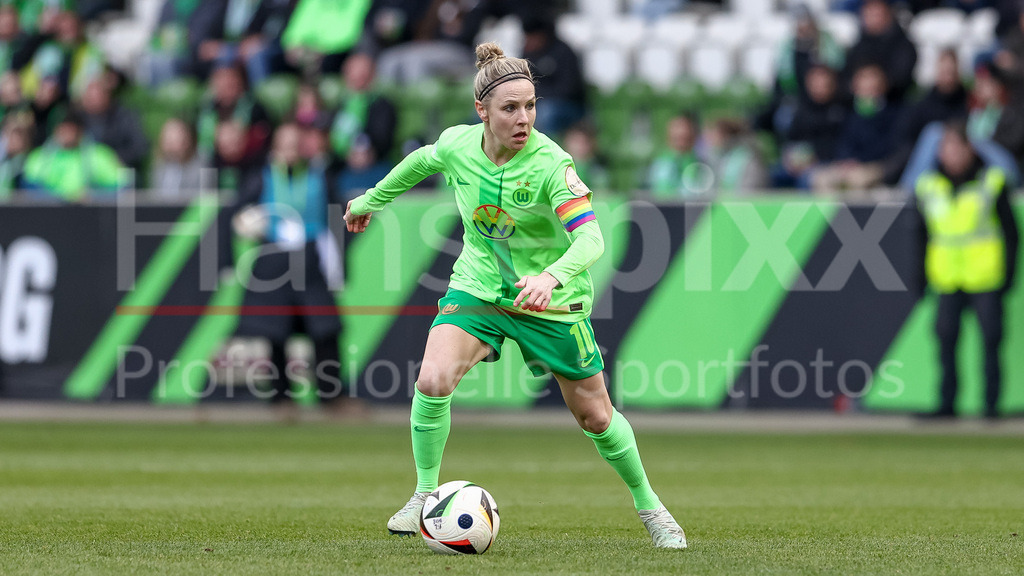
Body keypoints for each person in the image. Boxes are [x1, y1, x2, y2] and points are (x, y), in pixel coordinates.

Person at [343, 42, 687, 549]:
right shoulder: (459, 145)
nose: (523, 118)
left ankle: (652, 508)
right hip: (480, 288)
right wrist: (369, 200)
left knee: (595, 415)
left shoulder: (551, 164)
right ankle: (424, 493)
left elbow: (591, 239)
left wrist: (549, 278)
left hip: (550, 302)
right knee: (433, 379)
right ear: (481, 110)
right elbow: (421, 160)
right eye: (510, 108)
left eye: (530, 106)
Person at [232, 122, 351, 417]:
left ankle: (332, 396)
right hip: (273, 261)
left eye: (296, 144)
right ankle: (281, 398)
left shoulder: (320, 177)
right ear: (275, 148)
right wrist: (246, 225)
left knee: (325, 329)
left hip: (310, 260)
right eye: (285, 144)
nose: (291, 150)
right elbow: (236, 214)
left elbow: (339, 218)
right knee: (275, 332)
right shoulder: (261, 178)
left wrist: (340, 262)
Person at [914, 120, 1019, 419]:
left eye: (956, 147)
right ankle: (947, 404)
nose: (951, 154)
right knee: (946, 343)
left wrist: (1009, 274)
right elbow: (921, 236)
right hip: (947, 278)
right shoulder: (929, 185)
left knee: (990, 343)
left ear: (969, 149)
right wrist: (919, 276)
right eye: (946, 148)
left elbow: (1012, 234)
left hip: (985, 276)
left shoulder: (991, 182)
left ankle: (991, 406)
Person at [21, 111, 125, 200]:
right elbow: (28, 189)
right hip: (48, 216)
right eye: (62, 128)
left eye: (70, 129)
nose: (66, 133)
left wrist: (95, 196)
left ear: (80, 131)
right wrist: (56, 198)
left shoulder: (99, 155)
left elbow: (123, 187)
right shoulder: (39, 156)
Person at [646, 113, 704, 198]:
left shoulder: (698, 161)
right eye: (679, 138)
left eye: (686, 138)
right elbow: (662, 192)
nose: (683, 142)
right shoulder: (662, 162)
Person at [151, 117, 203, 199]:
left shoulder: (198, 169)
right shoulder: (159, 168)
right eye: (167, 140)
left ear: (186, 141)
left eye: (173, 140)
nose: (169, 145)